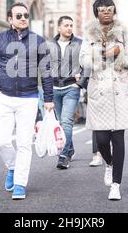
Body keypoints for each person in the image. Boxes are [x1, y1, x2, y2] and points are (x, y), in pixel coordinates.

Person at [0, 2, 54, 200]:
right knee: (1, 141)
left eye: (26, 15)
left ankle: (20, 184)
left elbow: (46, 71)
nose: (23, 18)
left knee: (24, 143)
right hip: (3, 97)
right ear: (10, 19)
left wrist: (48, 98)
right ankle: (13, 167)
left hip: (29, 98)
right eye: (19, 15)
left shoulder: (38, 41)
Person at [79, 0, 128, 201]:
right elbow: (83, 61)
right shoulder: (88, 34)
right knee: (102, 138)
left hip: (120, 90)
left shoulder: (124, 32)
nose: (106, 11)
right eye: (102, 8)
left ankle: (116, 185)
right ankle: (108, 162)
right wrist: (104, 53)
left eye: (110, 8)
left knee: (118, 138)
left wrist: (120, 52)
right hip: (99, 90)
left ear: (114, 11)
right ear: (96, 12)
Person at [49, 15, 88, 169]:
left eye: (71, 25)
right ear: (59, 28)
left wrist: (80, 83)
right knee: (60, 122)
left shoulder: (80, 43)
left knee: (66, 121)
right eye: (66, 25)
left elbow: (88, 65)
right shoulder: (49, 44)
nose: (69, 28)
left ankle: (63, 155)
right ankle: (70, 148)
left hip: (71, 88)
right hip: (54, 88)